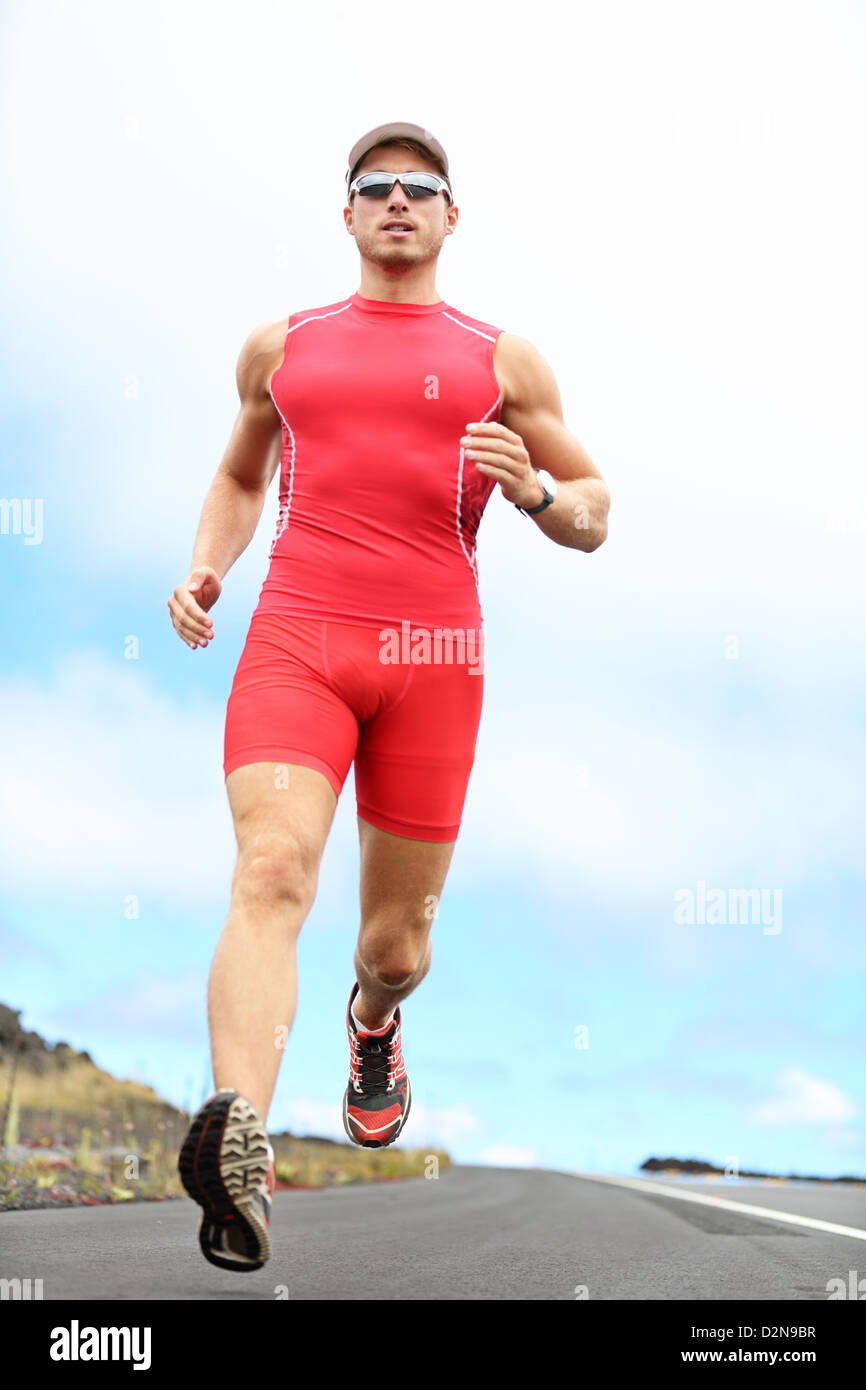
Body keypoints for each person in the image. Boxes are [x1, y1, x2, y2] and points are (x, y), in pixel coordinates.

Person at [168, 122, 610, 1271]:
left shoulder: (499, 360)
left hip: (433, 662)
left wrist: (534, 494)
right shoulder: (284, 346)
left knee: (395, 946)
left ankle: (372, 1028)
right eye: (376, 186)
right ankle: (241, 1152)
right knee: (271, 868)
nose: (398, 200)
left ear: (450, 218)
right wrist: (209, 562)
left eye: (422, 188)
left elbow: (595, 510)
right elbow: (236, 471)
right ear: (349, 212)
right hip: (296, 641)